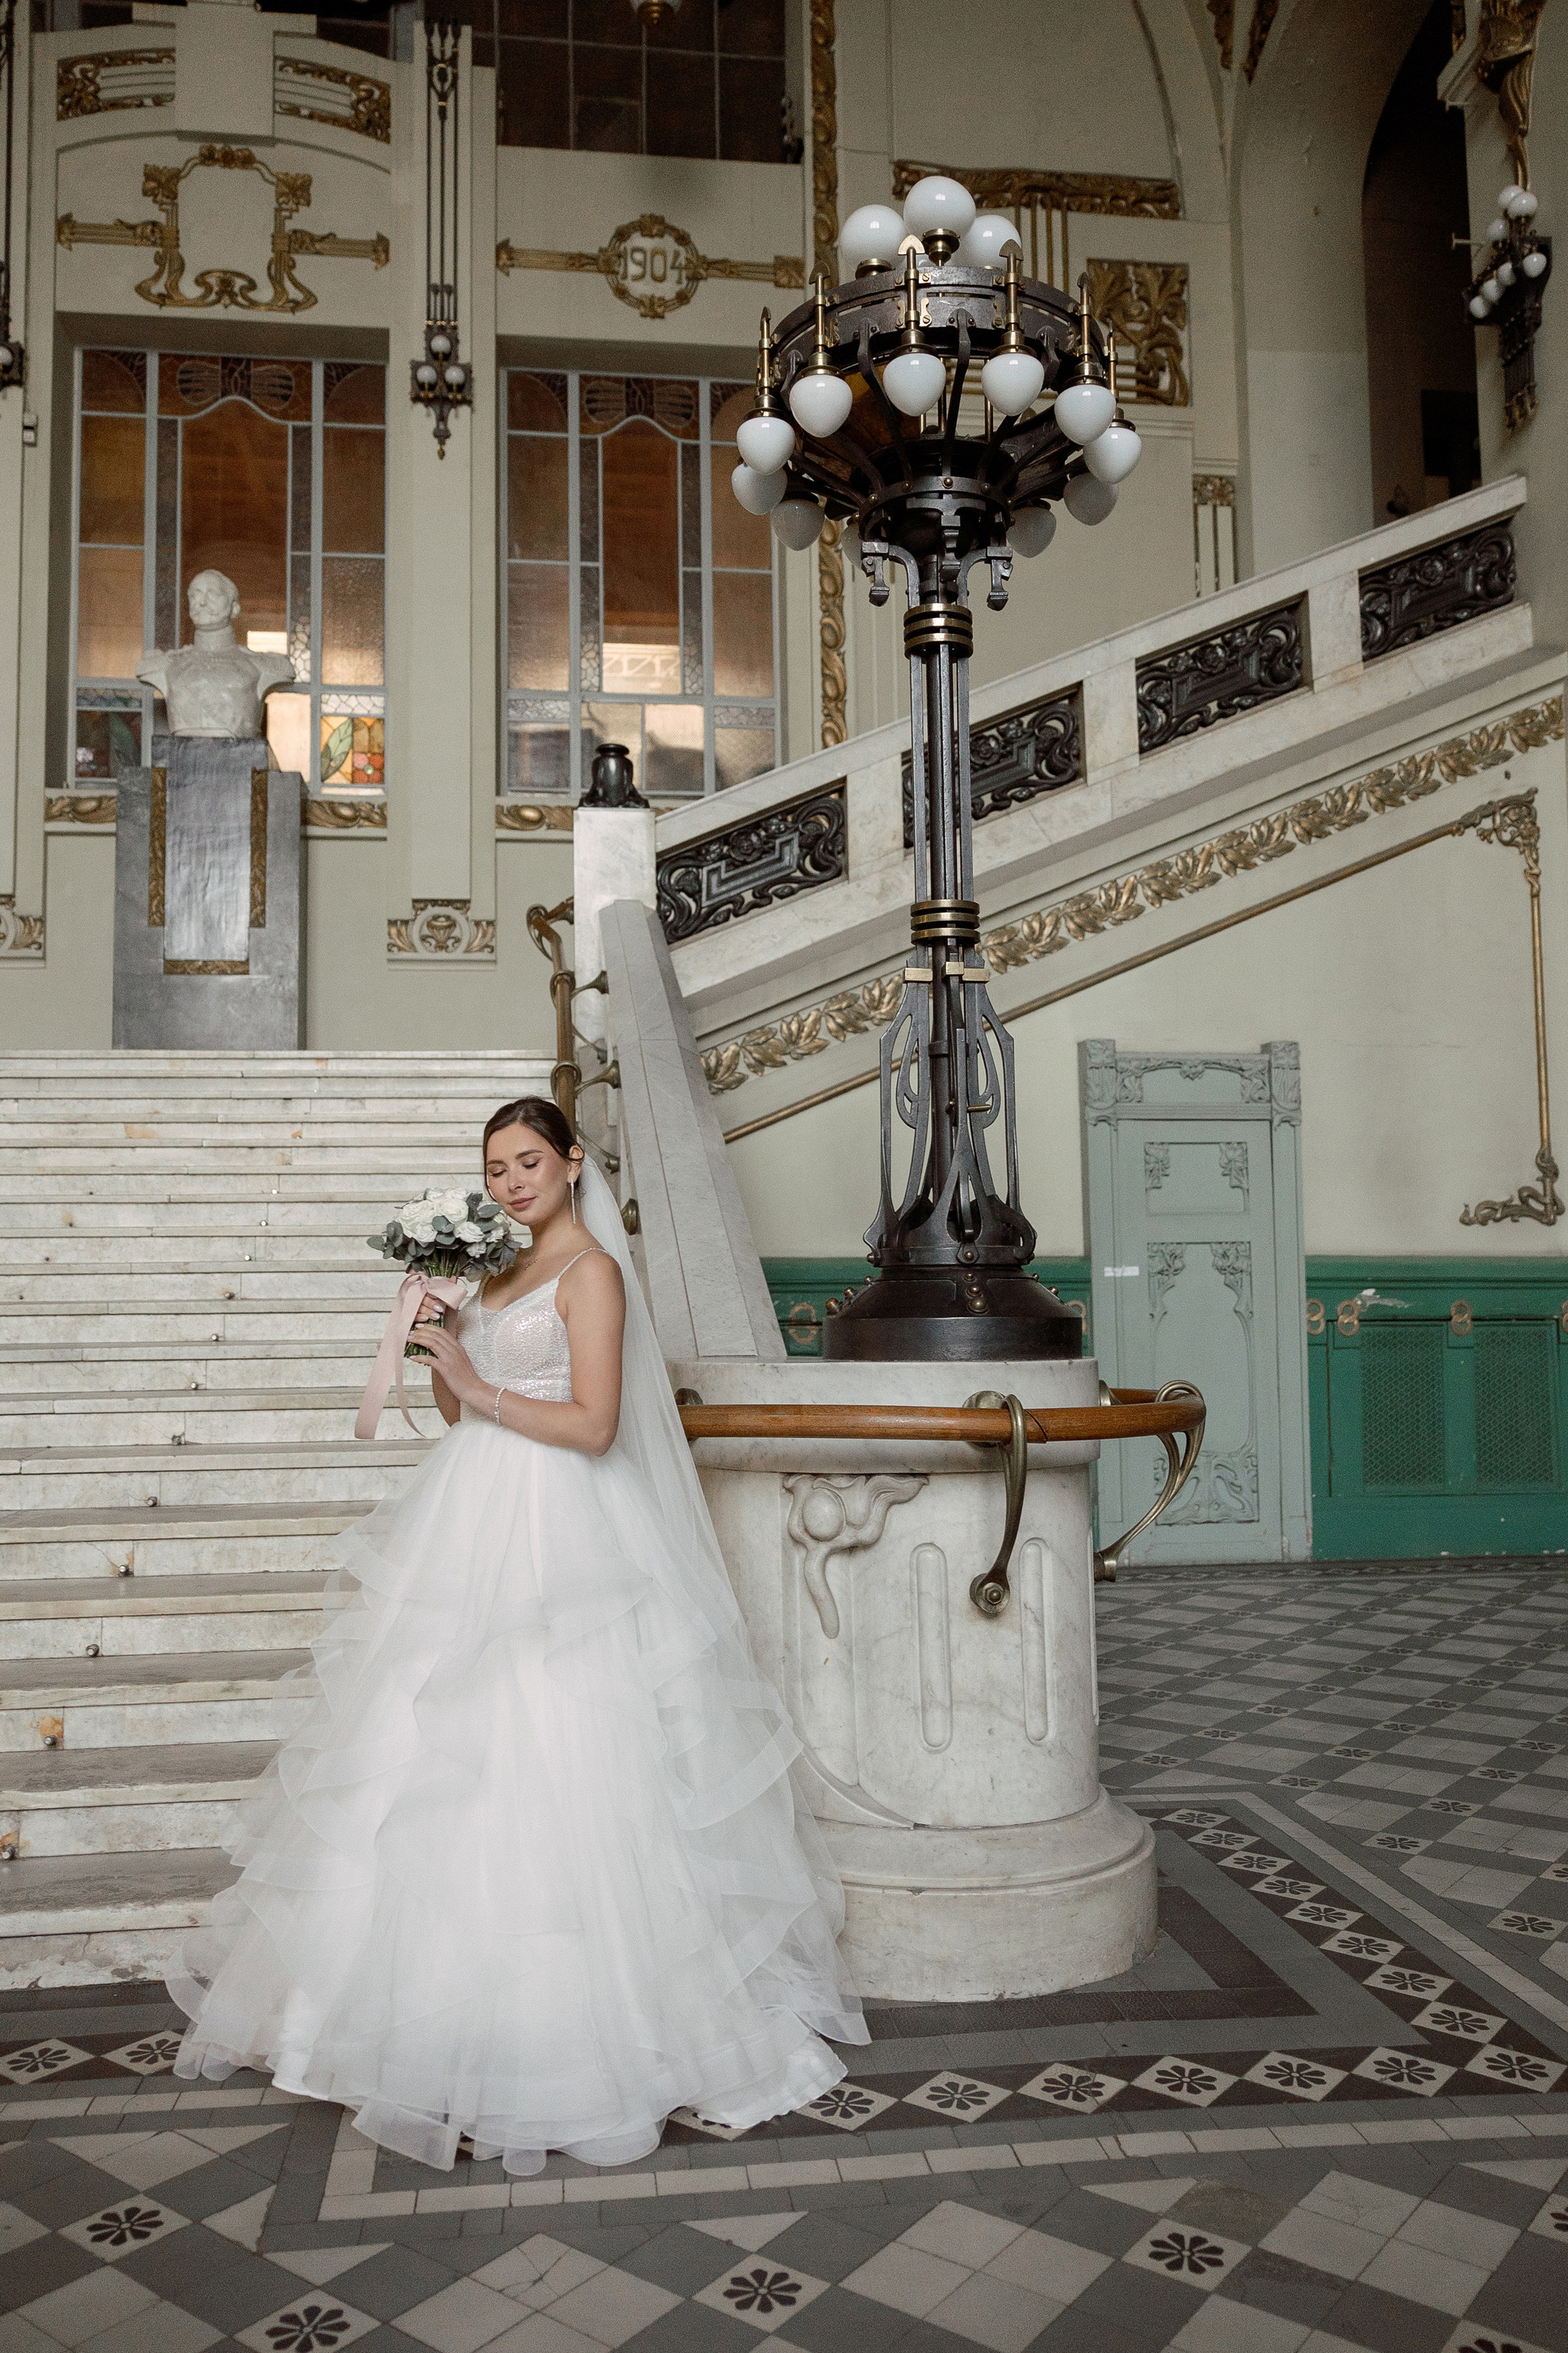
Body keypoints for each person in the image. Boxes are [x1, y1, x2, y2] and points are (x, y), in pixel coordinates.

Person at [168, 1096, 866, 2175]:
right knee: (429, 1744)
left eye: (528, 1162)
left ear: (573, 1162)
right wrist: (440, 1340)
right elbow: (458, 1414)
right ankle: (392, 2023)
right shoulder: (489, 1270)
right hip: (470, 1512)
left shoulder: (593, 1275)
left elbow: (592, 1425)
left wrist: (476, 1380)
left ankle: (583, 2042)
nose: (510, 1183)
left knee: (563, 1747)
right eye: (494, 1168)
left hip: (563, 1530)